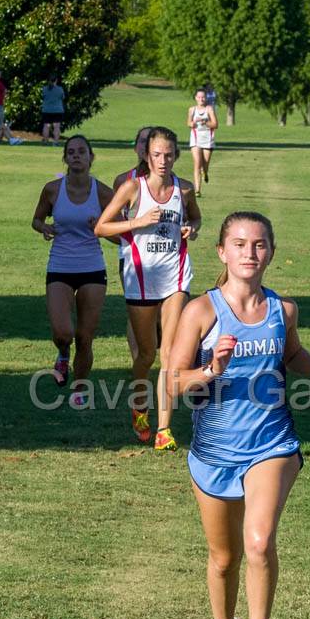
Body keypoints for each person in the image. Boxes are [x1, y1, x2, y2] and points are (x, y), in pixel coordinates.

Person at [168, 211, 310, 619]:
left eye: (260, 244)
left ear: (270, 252)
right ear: (222, 252)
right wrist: (211, 368)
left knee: (260, 542)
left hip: (272, 444)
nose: (250, 252)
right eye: (240, 244)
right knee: (224, 559)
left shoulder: (282, 310)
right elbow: (174, 381)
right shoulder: (200, 312)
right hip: (214, 452)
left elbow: (291, 356)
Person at [94, 127, 201, 451]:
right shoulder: (132, 188)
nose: (163, 160)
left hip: (175, 275)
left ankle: (164, 430)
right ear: (146, 155)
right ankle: (140, 405)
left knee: (170, 354)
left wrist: (190, 229)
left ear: (176, 155)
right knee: (146, 354)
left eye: (169, 154)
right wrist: (136, 223)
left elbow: (196, 219)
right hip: (141, 276)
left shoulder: (184, 189)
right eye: (157, 154)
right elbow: (101, 226)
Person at [31, 135, 117, 406]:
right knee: (63, 333)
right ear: (65, 158)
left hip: (92, 267)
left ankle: (80, 388)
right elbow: (36, 219)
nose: (76, 156)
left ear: (91, 157)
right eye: (71, 152)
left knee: (85, 336)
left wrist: (100, 229)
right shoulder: (52, 190)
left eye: (82, 152)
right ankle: (62, 354)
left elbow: (121, 235)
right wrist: (44, 227)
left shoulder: (103, 193)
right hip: (60, 266)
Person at [112, 126, 155, 363]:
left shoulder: (172, 180)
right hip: (132, 256)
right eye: (142, 141)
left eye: (151, 141)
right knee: (136, 310)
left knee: (159, 313)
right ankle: (138, 359)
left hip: (165, 255)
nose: (146, 145)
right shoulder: (123, 180)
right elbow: (111, 222)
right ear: (135, 146)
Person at [187, 89, 217, 196]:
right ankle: (197, 190)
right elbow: (188, 123)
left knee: (205, 164)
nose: (201, 99)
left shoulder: (209, 109)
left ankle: (205, 172)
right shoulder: (192, 110)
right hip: (195, 139)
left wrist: (205, 122)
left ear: (206, 98)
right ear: (195, 98)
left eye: (203, 97)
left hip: (207, 139)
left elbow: (215, 125)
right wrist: (194, 123)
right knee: (197, 164)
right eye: (199, 97)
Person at [0, 69, 23, 145]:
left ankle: (13, 139)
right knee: (1, 124)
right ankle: (12, 139)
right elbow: (5, 91)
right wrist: (3, 97)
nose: (0, 76)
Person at [40, 76, 65, 145]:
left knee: (46, 126)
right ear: (56, 80)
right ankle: (55, 142)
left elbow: (43, 97)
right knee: (56, 126)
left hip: (46, 110)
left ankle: (45, 141)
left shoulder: (44, 89)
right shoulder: (60, 89)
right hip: (57, 110)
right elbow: (62, 97)